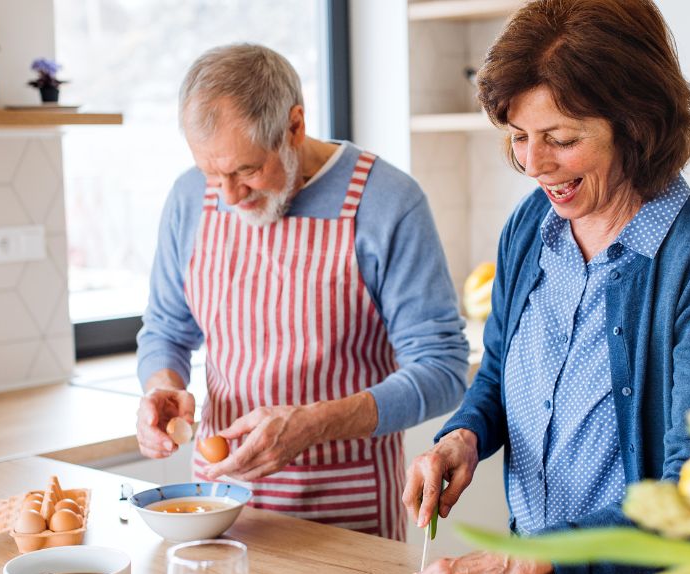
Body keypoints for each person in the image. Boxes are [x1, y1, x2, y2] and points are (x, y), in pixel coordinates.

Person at [400, 0, 690, 574]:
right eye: (519, 137)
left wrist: (525, 562)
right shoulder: (531, 227)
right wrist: (462, 435)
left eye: (560, 139)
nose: (533, 164)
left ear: (636, 123)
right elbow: (497, 377)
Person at [135, 43, 469, 542]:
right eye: (212, 173)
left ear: (294, 125)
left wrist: (314, 423)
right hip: (220, 510)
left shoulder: (387, 201)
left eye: (246, 170)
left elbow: (443, 369)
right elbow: (166, 328)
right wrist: (161, 386)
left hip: (346, 518)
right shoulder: (189, 197)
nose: (227, 196)